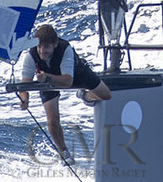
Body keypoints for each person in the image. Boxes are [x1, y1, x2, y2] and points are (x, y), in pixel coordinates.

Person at [17, 24, 110, 159]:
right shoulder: (30, 55)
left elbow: (68, 82)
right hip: (48, 81)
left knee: (106, 95)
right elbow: (24, 85)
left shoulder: (65, 48)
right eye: (39, 47)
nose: (42, 51)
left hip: (76, 74)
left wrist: (47, 77)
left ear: (54, 44)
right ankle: (63, 152)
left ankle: (85, 95)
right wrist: (24, 99)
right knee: (52, 121)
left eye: (46, 47)